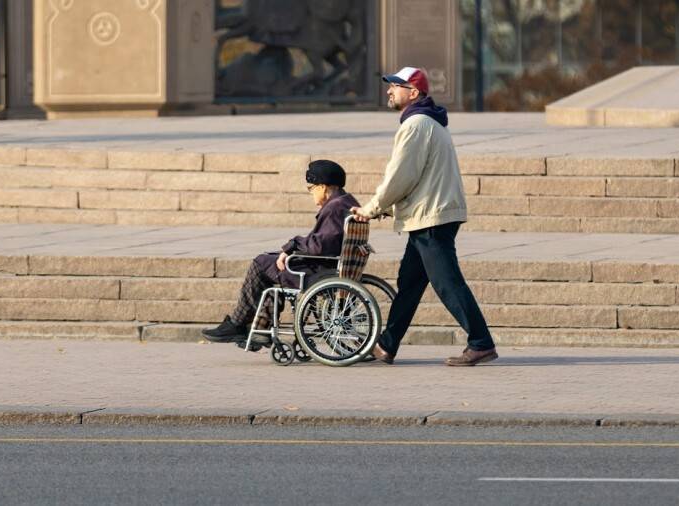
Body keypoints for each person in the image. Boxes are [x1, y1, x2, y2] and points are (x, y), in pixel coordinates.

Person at [350, 66, 498, 367]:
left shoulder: (416, 124)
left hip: (432, 217)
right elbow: (419, 177)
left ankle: (481, 343)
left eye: (396, 86)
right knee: (410, 282)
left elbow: (401, 176)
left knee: (447, 282)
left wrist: (373, 207)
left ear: (413, 92)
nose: (389, 90)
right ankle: (386, 346)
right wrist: (388, 207)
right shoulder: (428, 121)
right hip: (429, 214)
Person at [203, 159, 360, 349]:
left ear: (323, 187)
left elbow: (319, 245)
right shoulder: (346, 201)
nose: (310, 193)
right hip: (327, 266)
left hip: (319, 271)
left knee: (261, 264)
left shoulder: (335, 207)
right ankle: (260, 327)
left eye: (311, 188)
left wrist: (292, 246)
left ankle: (239, 324)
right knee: (269, 264)